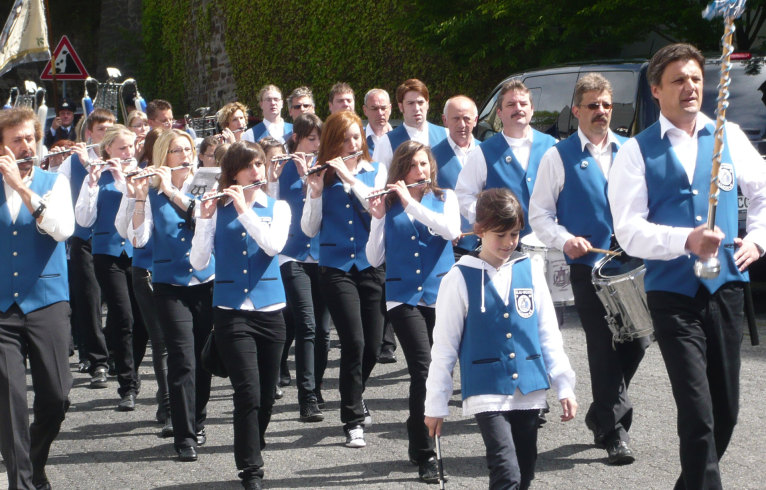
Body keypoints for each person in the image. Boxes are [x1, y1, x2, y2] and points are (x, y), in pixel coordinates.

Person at [609, 43, 766, 489]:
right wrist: (685, 241)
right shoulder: (636, 152)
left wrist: (757, 239)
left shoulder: (727, 136)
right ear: (656, 90)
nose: (690, 87)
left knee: (726, 412)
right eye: (678, 80)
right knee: (697, 415)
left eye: (696, 78)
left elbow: (763, 193)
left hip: (728, 289)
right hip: (673, 296)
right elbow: (629, 230)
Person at [529, 73, 647, 465]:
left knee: (638, 340)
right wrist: (565, 240)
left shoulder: (631, 149)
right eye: (593, 105)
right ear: (576, 110)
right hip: (589, 268)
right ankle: (614, 431)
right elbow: (539, 215)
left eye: (607, 105)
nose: (601, 112)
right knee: (603, 344)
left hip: (632, 264)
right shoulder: (557, 157)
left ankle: (601, 412)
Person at [425, 188, 577, 490]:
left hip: (530, 387)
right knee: (505, 471)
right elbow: (444, 348)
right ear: (480, 231)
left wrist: (564, 384)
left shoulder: (530, 270)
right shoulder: (458, 278)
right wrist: (436, 403)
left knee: (525, 473)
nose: (509, 243)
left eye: (515, 234)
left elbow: (548, 333)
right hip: (487, 388)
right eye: (501, 235)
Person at [191, 142, 290, 490]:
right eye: (249, 166)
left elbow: (273, 246)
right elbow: (199, 263)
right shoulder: (217, 209)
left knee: (266, 394)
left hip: (271, 310)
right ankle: (251, 469)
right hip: (231, 311)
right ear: (233, 172)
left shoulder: (278, 207)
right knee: (246, 392)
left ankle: (254, 442)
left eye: (260, 165)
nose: (257, 172)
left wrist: (244, 209)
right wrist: (204, 222)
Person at [366, 141, 460, 482]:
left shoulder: (445, 198)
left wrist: (411, 203)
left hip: (442, 294)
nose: (421, 171)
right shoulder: (389, 203)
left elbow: (450, 232)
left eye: (425, 165)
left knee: (442, 373)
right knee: (424, 369)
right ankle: (426, 454)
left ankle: (414, 425)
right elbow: (375, 258)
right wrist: (378, 220)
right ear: (401, 171)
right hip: (402, 296)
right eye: (414, 166)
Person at [128, 129, 215, 462]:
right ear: (163, 156)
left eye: (188, 149)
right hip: (169, 286)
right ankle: (184, 435)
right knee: (182, 360)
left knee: (203, 358)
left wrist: (171, 191)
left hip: (206, 282)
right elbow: (138, 240)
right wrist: (139, 197)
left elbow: (201, 215)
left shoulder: (205, 182)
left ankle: (199, 418)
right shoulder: (150, 192)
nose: (185, 155)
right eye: (177, 150)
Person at [301, 111, 387, 448]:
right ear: (332, 144)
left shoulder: (374, 171)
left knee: (375, 344)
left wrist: (350, 178)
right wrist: (317, 191)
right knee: (354, 342)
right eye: (344, 139)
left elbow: (373, 207)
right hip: (335, 267)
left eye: (356, 138)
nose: (352, 144)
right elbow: (309, 229)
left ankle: (354, 393)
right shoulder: (322, 176)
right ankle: (352, 420)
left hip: (370, 263)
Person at [0, 107, 74, 489]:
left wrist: (23, 188)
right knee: (10, 405)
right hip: (1, 311)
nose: (26, 145)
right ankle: (22, 484)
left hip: (47, 299)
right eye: (17, 140)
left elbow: (63, 230)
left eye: (30, 138)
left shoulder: (54, 182)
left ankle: (34, 458)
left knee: (57, 398)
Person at [265, 115, 331, 417]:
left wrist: (313, 178)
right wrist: (273, 179)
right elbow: (271, 207)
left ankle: (316, 387)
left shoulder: (329, 167)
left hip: (324, 257)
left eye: (319, 139)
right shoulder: (284, 167)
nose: (315, 145)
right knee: (305, 324)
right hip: (292, 256)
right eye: (310, 139)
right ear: (296, 141)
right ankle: (306, 397)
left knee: (322, 330)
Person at [75, 125, 143, 411]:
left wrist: (130, 183)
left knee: (141, 321)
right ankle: (128, 385)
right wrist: (91, 186)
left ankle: (125, 364)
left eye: (131, 147)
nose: (128, 154)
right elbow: (85, 219)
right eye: (122, 149)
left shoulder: (142, 174)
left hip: (138, 252)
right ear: (108, 151)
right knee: (123, 316)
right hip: (107, 253)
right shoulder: (97, 177)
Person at [115, 127, 172, 432]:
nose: (182, 159)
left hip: (180, 270)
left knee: (179, 341)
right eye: (175, 152)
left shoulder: (185, 184)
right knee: (161, 340)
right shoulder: (143, 183)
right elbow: (124, 230)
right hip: (146, 269)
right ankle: (167, 403)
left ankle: (179, 403)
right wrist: (132, 194)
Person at [455, 80, 556, 237]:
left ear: (532, 109)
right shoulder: (482, 153)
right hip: (503, 248)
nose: (518, 109)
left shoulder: (553, 147)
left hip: (549, 246)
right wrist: (484, 217)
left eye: (523, 104)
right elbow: (463, 195)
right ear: (500, 113)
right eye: (511, 104)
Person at [59, 108, 116, 385]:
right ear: (89, 133)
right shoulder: (72, 164)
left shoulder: (122, 159)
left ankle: (117, 353)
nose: (107, 134)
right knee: (90, 299)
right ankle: (97, 361)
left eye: (111, 129)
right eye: (102, 130)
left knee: (120, 303)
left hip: (117, 238)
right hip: (84, 239)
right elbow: (57, 196)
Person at [431, 95, 480, 257]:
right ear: (445, 120)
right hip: (451, 246)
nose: (462, 125)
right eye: (456, 119)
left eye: (467, 118)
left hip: (488, 244)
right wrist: (442, 229)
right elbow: (427, 199)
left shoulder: (488, 152)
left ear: (476, 120)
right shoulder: (431, 157)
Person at [372, 78, 447, 168]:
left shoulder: (446, 135)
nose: (416, 108)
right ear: (401, 107)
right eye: (410, 103)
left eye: (420, 102)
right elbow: (377, 179)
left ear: (427, 104)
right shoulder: (386, 142)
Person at [362, 88, 392, 153]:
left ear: (390, 109)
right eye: (374, 109)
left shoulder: (401, 138)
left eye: (383, 108)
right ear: (365, 110)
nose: (380, 113)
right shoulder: (357, 140)